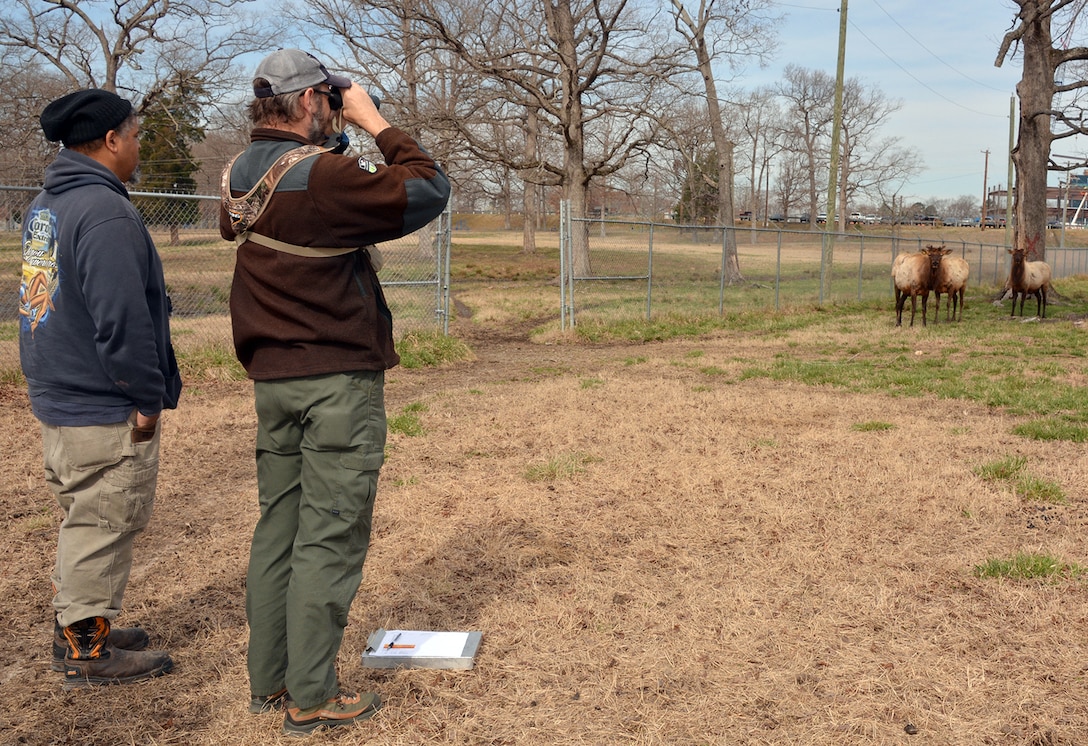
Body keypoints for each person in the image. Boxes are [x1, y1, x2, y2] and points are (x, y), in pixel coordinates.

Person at [219, 49, 450, 737]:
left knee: (279, 531)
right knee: (329, 536)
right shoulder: (323, 175)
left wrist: (337, 132)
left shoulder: (237, 172)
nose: (337, 103)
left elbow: (246, 226)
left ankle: (270, 682)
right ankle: (313, 695)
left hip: (273, 383)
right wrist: (372, 117)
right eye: (329, 95)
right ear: (309, 101)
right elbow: (428, 187)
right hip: (335, 386)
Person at [19, 89, 183, 689]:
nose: (139, 145)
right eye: (136, 135)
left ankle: (79, 626)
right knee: (104, 521)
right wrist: (145, 399)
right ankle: (86, 651)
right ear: (111, 140)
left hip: (60, 393)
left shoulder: (48, 204)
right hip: (100, 401)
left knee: (82, 515)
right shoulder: (105, 212)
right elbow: (121, 319)